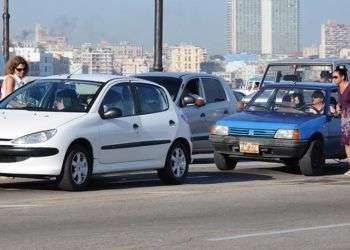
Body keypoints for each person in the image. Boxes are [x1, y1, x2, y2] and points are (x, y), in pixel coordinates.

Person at [333, 67, 350, 176]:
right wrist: (338, 107)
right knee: (347, 144)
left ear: (342, 77)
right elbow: (341, 103)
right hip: (344, 119)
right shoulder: (339, 88)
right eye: (333, 77)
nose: (334, 79)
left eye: (335, 77)